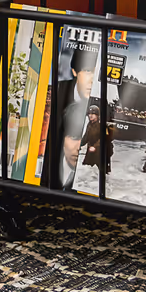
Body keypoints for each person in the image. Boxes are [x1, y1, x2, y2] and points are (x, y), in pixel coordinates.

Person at [53, 41, 100, 189]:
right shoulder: (57, 92)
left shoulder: (103, 103)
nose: (93, 79)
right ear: (74, 71)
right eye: (88, 71)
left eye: (97, 72)